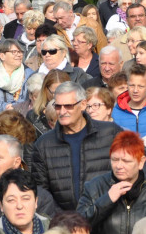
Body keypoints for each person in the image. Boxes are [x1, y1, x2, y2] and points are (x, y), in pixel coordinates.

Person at [31, 81, 120, 210]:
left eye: (68, 106)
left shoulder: (110, 133)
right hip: (65, 223)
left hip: (107, 217)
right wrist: (62, 221)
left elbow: (143, 158)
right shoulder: (43, 144)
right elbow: (41, 192)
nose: (62, 111)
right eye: (58, 106)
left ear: (83, 104)